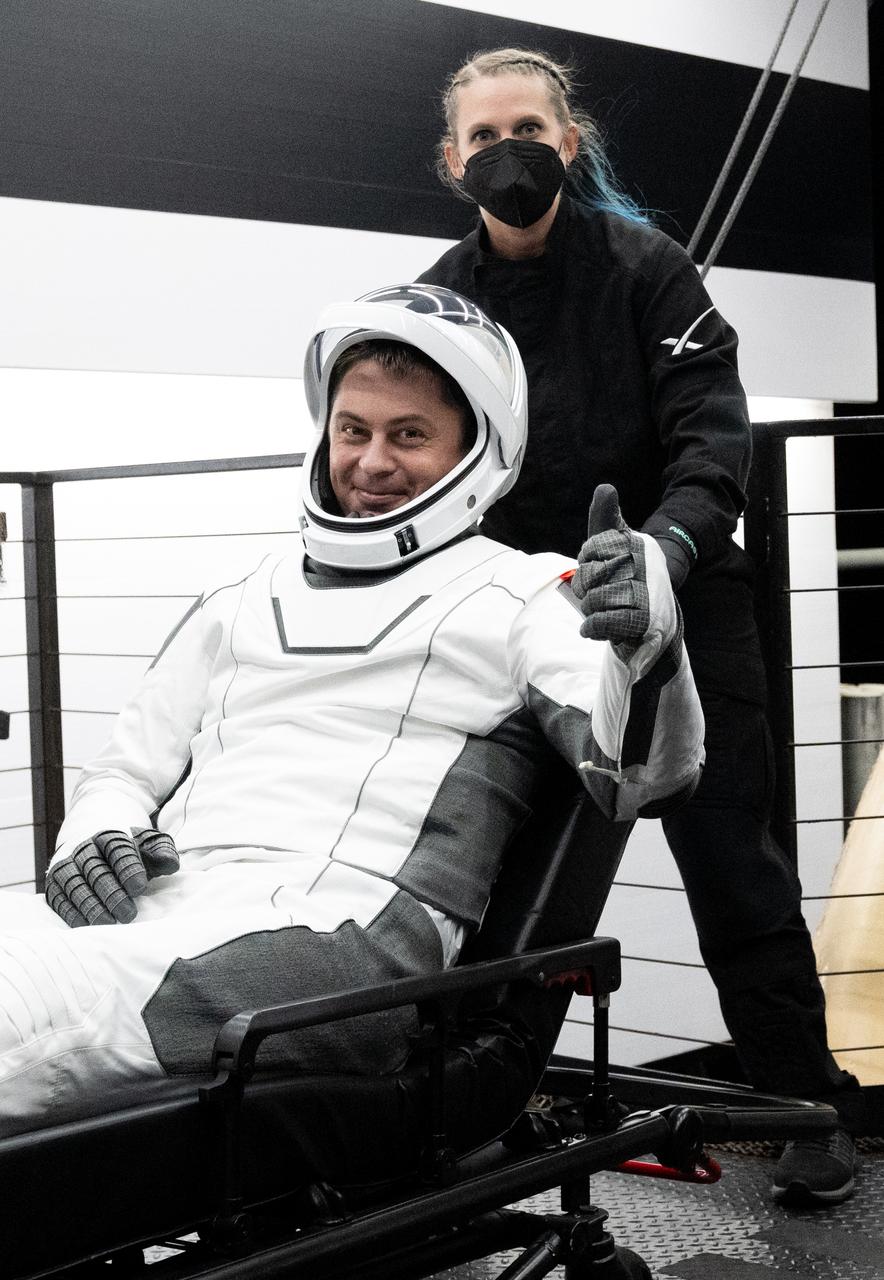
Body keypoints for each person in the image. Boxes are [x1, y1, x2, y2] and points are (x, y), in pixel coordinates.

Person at [0, 284, 704, 1138]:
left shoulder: (522, 590)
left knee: (20, 1016)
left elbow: (640, 777)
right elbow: (124, 769)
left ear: (477, 450)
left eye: (409, 436)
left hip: (344, 939)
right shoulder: (240, 594)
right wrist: (94, 839)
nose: (371, 462)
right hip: (164, 908)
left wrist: (648, 646)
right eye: (352, 430)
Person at [417, 46, 862, 1206]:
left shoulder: (648, 268)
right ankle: (461, 1114)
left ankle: (803, 1106)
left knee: (731, 866)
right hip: (526, 621)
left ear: (567, 142)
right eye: (482, 135)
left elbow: (716, 442)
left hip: (680, 606)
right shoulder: (439, 301)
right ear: (450, 160)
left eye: (527, 127)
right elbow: (424, 463)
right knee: (513, 874)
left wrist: (654, 554)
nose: (505, 150)